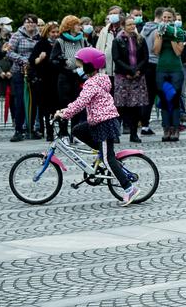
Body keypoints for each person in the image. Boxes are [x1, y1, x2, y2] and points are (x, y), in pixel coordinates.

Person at [54, 48, 141, 206]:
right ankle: (103, 152)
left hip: (104, 123)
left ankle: (129, 189)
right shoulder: (101, 78)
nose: (78, 67)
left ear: (89, 66)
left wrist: (64, 114)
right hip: (99, 121)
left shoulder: (92, 84)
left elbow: (80, 103)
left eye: (80, 65)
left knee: (108, 159)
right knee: (77, 130)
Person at [111, 16, 149, 143]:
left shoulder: (140, 39)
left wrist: (137, 70)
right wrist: (128, 70)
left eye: (133, 24)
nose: (132, 26)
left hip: (138, 76)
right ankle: (115, 133)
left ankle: (134, 133)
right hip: (123, 77)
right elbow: (116, 58)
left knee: (136, 107)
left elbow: (145, 57)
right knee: (120, 106)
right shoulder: (118, 40)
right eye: (129, 25)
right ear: (123, 26)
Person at [152, 8, 186, 142]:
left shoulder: (179, 32)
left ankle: (175, 128)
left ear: (173, 19)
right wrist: (161, 35)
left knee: (174, 99)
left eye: (169, 18)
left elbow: (178, 52)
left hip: (175, 69)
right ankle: (166, 128)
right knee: (164, 100)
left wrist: (172, 35)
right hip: (162, 68)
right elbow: (156, 51)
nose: (166, 20)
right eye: (164, 18)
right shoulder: (158, 32)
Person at [6, 14, 39, 141]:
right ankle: (18, 129)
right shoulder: (17, 35)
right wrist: (23, 60)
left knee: (34, 101)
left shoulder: (39, 36)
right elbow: (9, 52)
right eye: (28, 22)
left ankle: (31, 129)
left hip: (34, 71)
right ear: (24, 23)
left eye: (32, 22)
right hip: (19, 71)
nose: (30, 25)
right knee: (20, 100)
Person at [51, 15, 89, 126]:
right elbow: (53, 60)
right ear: (70, 26)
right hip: (65, 78)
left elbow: (87, 56)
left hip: (79, 77)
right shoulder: (60, 41)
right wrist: (63, 63)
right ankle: (63, 133)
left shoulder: (82, 40)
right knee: (65, 106)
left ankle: (75, 133)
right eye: (77, 24)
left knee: (77, 105)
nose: (79, 27)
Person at [28, 22, 60, 141]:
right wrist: (40, 58)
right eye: (53, 32)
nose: (55, 34)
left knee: (58, 107)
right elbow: (32, 61)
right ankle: (49, 132)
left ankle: (62, 132)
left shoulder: (60, 43)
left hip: (58, 79)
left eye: (57, 32)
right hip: (45, 80)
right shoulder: (41, 44)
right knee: (47, 109)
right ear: (47, 33)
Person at [139, 7, 164, 136]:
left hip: (146, 65)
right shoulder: (158, 30)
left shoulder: (144, 29)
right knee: (166, 94)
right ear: (160, 17)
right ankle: (170, 123)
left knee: (148, 97)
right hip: (157, 64)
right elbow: (157, 49)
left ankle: (145, 125)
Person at [95, 5, 123, 79]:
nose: (112, 15)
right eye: (111, 14)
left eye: (115, 13)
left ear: (121, 15)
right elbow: (98, 49)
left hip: (122, 71)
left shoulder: (126, 30)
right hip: (106, 70)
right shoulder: (104, 30)